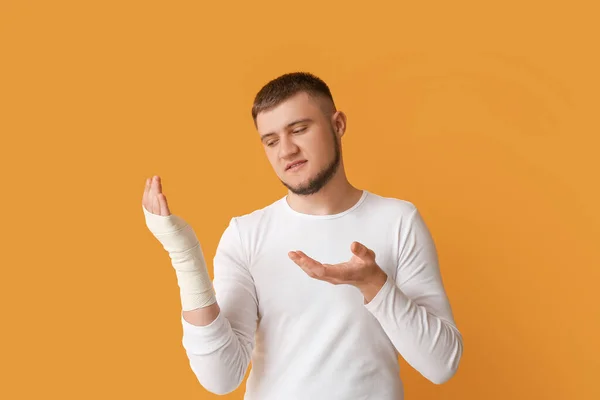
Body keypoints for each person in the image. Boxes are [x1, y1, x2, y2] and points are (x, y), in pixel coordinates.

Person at [142, 72, 463, 399]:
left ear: (337, 125)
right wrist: (186, 258)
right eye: (271, 141)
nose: (286, 150)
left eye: (299, 130)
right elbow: (221, 378)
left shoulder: (397, 221)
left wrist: (375, 285)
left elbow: (441, 365)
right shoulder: (246, 235)